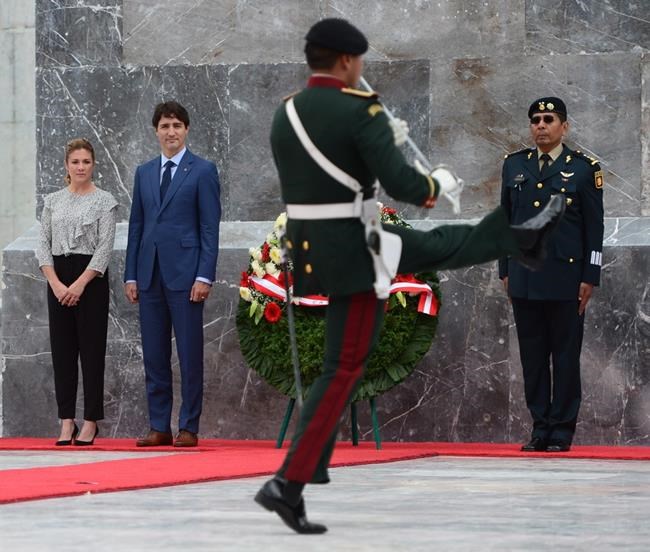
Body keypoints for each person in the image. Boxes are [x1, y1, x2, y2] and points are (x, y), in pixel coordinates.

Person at [254, 18, 565, 534]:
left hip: (313, 249)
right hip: (357, 249)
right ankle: (288, 482)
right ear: (347, 61)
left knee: (434, 247)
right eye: (360, 60)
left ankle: (520, 239)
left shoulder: (285, 112)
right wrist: (436, 182)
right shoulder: (361, 109)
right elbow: (406, 187)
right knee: (343, 367)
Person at [499, 97, 604, 453]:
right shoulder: (514, 165)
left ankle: (561, 430)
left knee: (565, 357)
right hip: (524, 278)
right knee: (533, 359)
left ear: (564, 127)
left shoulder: (584, 169)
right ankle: (540, 427)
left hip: (566, 279)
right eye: (535, 120)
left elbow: (594, 228)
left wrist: (590, 275)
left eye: (548, 119)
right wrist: (505, 268)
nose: (541, 126)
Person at [124, 101, 221, 448]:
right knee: (154, 355)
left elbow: (209, 228)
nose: (171, 132)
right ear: (156, 131)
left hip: (186, 277)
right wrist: (131, 274)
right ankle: (159, 426)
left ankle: (188, 426)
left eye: (177, 125)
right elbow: (136, 226)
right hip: (149, 275)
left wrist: (204, 276)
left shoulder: (203, 171)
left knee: (190, 354)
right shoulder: (144, 172)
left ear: (187, 130)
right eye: (165, 126)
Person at [37, 138, 118, 446]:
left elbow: (104, 248)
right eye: (75, 162)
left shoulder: (105, 201)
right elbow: (42, 245)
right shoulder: (52, 201)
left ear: (93, 164)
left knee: (92, 352)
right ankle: (66, 420)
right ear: (66, 165)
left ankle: (90, 421)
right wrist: (57, 284)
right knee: (63, 352)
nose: (80, 167)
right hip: (57, 278)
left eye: (86, 161)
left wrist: (80, 284)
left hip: (91, 280)